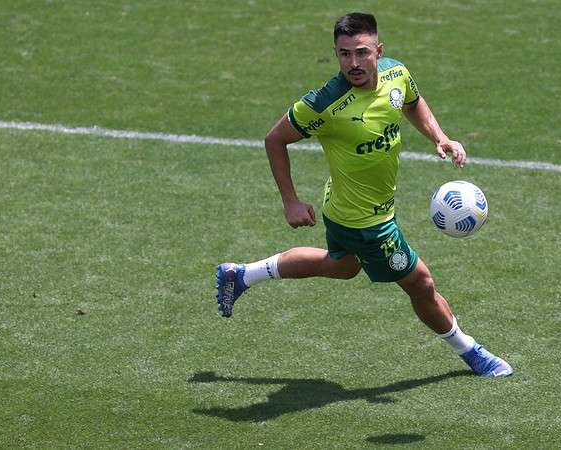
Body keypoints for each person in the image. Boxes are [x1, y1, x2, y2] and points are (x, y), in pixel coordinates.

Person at [216, 12, 512, 377]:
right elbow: (275, 139)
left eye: (361, 52)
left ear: (378, 51)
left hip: (341, 205)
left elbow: (411, 101)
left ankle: (242, 275)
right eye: (344, 54)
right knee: (421, 283)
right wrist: (289, 200)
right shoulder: (323, 104)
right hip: (367, 221)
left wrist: (440, 137)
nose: (353, 63)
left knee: (342, 266)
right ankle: (472, 352)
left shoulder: (395, 74)